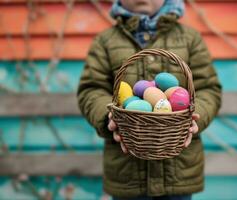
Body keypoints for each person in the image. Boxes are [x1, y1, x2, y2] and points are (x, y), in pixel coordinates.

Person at [77, 0, 222, 199]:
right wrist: (108, 116)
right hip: (127, 173)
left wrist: (195, 117)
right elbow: (91, 89)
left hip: (179, 171)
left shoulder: (190, 38)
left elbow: (208, 89)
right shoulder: (105, 41)